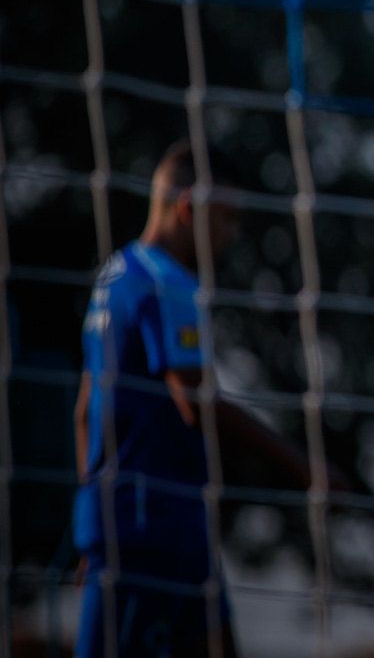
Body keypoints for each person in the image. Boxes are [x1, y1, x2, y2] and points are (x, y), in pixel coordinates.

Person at [73, 139, 333, 658]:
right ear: (190, 208)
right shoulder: (169, 284)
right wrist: (304, 466)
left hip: (148, 522)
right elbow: (197, 402)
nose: (232, 235)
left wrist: (89, 513)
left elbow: (84, 412)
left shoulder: (114, 276)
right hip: (150, 529)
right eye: (228, 219)